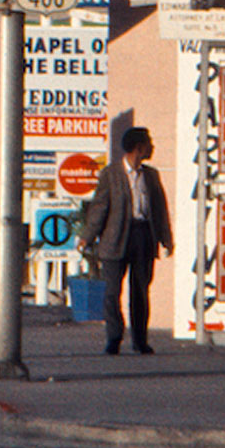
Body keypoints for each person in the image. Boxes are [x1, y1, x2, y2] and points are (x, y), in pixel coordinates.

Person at [78, 125, 174, 354]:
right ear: (138, 148)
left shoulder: (150, 175)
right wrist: (87, 236)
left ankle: (140, 340)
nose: (152, 147)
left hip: (142, 236)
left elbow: (159, 208)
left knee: (140, 290)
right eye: (148, 144)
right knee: (112, 291)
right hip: (116, 237)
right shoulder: (110, 174)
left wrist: (165, 237)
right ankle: (114, 338)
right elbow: (100, 207)